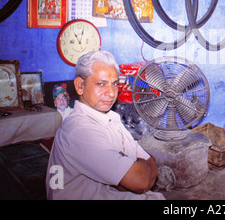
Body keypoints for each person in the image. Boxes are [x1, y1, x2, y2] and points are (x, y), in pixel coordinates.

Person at [46, 51, 164, 200]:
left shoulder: (109, 117)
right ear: (79, 86)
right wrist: (139, 167)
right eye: (101, 84)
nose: (111, 93)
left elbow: (149, 163)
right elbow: (141, 181)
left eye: (114, 84)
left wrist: (140, 167)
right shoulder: (79, 131)